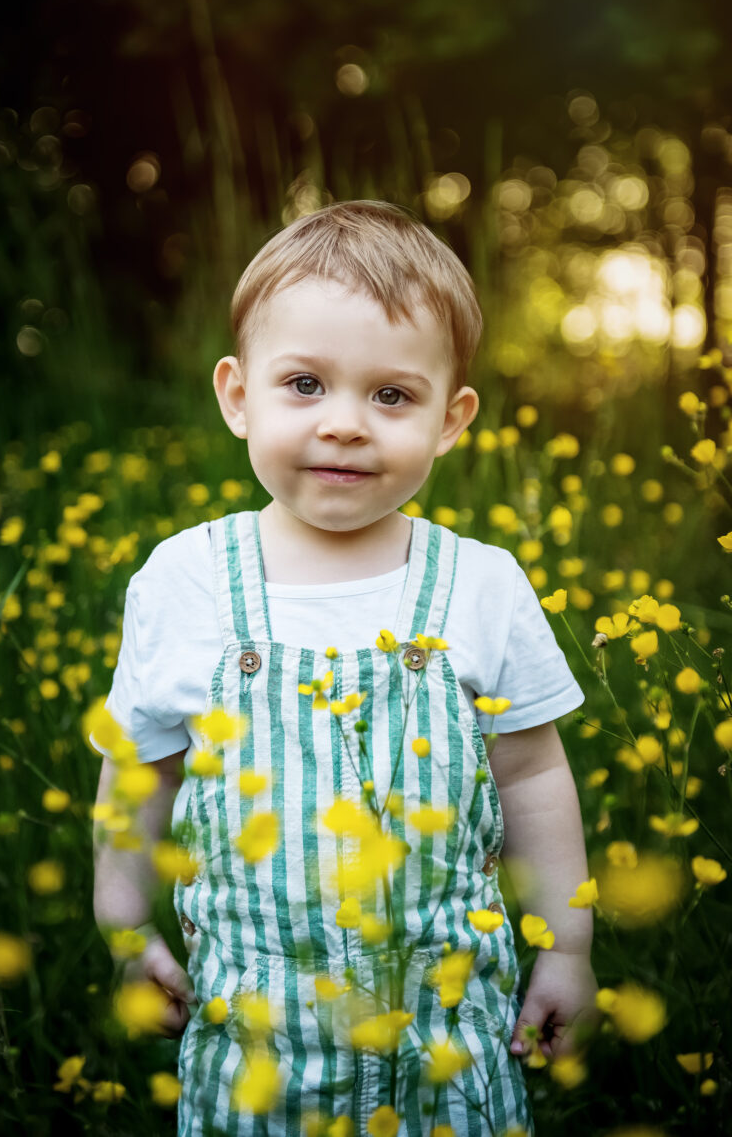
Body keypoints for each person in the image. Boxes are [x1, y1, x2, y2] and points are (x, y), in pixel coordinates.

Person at [92, 200, 598, 1136]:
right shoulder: (186, 579)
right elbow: (139, 765)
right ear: (238, 395)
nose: (346, 425)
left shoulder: (481, 586)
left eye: (392, 396)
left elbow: (533, 775)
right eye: (305, 385)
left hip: (447, 1044)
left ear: (451, 420)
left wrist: (568, 947)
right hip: (252, 1048)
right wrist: (123, 926)